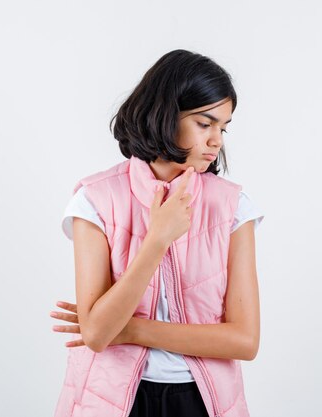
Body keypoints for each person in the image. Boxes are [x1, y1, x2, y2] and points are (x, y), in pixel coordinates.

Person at [49, 49, 264, 417]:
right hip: (111, 400)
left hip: (203, 401)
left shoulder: (232, 206)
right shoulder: (95, 200)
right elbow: (98, 335)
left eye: (223, 127)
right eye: (204, 123)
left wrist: (131, 330)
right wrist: (157, 240)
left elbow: (244, 340)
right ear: (165, 114)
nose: (217, 141)